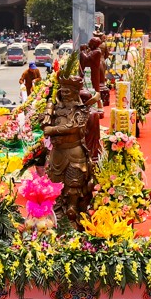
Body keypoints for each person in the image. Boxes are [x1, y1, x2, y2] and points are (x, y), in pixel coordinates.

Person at [37, 76, 96, 222]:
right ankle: (55, 214)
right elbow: (44, 124)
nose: (64, 93)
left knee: (74, 184)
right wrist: (45, 116)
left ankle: (73, 211)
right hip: (57, 152)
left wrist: (53, 130)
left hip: (74, 151)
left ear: (76, 92)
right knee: (54, 183)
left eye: (68, 91)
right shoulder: (55, 108)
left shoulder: (81, 109)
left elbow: (74, 126)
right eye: (62, 90)